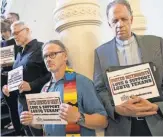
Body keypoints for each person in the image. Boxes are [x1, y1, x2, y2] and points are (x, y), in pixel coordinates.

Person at [93, 0, 163, 136]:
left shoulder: (157, 43)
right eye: (115, 21)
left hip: (156, 121)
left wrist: (157, 107)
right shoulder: (100, 53)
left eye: (124, 19)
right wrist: (116, 110)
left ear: (131, 19)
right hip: (122, 126)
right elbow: (99, 88)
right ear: (109, 24)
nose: (120, 24)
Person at [20, 40, 108, 136]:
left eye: (52, 54)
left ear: (65, 56)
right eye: (45, 56)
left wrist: (78, 117)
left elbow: (103, 121)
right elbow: (42, 125)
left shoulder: (82, 82)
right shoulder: (45, 89)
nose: (48, 59)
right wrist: (31, 121)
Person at [2, 21, 51, 136]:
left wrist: (32, 85)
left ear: (27, 30)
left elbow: (51, 75)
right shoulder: (19, 54)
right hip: (22, 105)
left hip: (38, 104)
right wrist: (9, 87)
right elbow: (17, 79)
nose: (14, 37)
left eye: (17, 33)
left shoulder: (41, 47)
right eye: (13, 34)